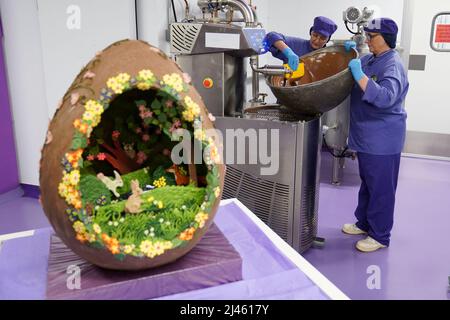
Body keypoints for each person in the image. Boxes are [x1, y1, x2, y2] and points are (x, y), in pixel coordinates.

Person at [342, 18, 409, 252]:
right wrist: (350, 55)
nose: (368, 40)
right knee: (368, 183)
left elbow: (385, 97)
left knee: (381, 188)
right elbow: (356, 69)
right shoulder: (371, 59)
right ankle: (364, 223)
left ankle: (380, 236)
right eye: (367, 36)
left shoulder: (393, 65)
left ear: (387, 39)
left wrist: (359, 74)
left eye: (372, 37)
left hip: (383, 138)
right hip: (366, 135)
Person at [263, 16, 338, 71]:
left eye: (322, 38)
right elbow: (271, 36)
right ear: (310, 32)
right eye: (315, 35)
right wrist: (288, 52)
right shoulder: (296, 45)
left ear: (328, 40)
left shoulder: (329, 56)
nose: (317, 41)